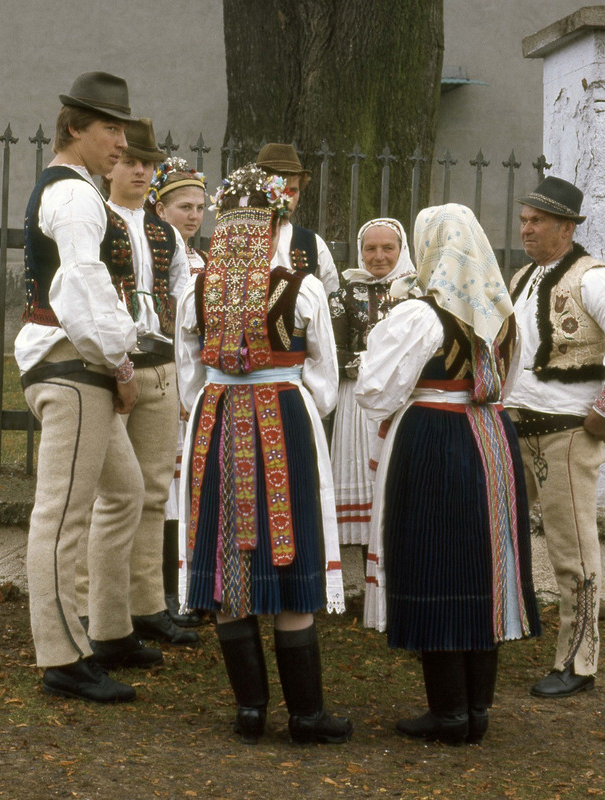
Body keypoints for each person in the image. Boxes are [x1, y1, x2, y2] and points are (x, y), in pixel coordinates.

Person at [176, 164, 352, 745]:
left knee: (226, 554)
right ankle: (306, 716)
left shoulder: (196, 289)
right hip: (283, 416)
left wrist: (218, 393)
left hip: (217, 416)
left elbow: (187, 375)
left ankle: (250, 711)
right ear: (273, 224)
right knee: (290, 550)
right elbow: (324, 376)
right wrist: (297, 400)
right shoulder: (302, 288)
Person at [356, 203, 542, 745]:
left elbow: (375, 392)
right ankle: (476, 710)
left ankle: (450, 713)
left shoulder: (420, 316)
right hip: (492, 440)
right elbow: (506, 384)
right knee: (482, 566)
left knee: (434, 562)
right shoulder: (505, 316)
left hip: (435, 438)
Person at [15, 71, 151, 703]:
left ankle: (111, 629)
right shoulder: (72, 195)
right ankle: (62, 657)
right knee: (61, 515)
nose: (121, 143)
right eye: (109, 128)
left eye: (123, 129)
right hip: (71, 367)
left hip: (80, 365)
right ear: (74, 128)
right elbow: (82, 287)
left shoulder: (77, 189)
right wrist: (121, 365)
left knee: (124, 491)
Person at [505, 176, 605, 699]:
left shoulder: (593, 279)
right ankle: (493, 630)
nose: (526, 229)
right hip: (516, 427)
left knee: (571, 548)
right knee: (497, 531)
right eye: (524, 220)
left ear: (566, 228)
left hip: (567, 433)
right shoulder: (522, 276)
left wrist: (604, 411)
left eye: (537, 221)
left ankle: (579, 661)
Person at [77, 120, 199, 648]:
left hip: (160, 366)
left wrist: (182, 368)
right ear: (113, 166)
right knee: (105, 494)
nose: (140, 171)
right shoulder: (94, 219)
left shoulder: (165, 231)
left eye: (147, 164)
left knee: (152, 491)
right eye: (130, 161)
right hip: (109, 370)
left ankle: (147, 603)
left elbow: (183, 298)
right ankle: (92, 608)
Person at [148, 156, 210, 628]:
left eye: (199, 208)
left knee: (189, 483)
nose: (193, 216)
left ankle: (191, 588)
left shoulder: (202, 262)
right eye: (183, 207)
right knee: (162, 486)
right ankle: (162, 592)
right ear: (160, 209)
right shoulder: (155, 257)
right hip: (161, 372)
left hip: (196, 378)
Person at [328, 218, 416, 547]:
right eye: (370, 248)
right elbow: (331, 352)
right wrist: (371, 365)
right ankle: (367, 561)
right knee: (363, 472)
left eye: (388, 248)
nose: (378, 256)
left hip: (406, 397)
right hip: (359, 401)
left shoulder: (419, 293)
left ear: (402, 250)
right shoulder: (343, 295)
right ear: (360, 252)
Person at [255, 143, 341, 295]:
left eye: (293, 191)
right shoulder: (239, 237)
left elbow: (330, 295)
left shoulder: (313, 243)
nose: (286, 199)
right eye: (279, 190)